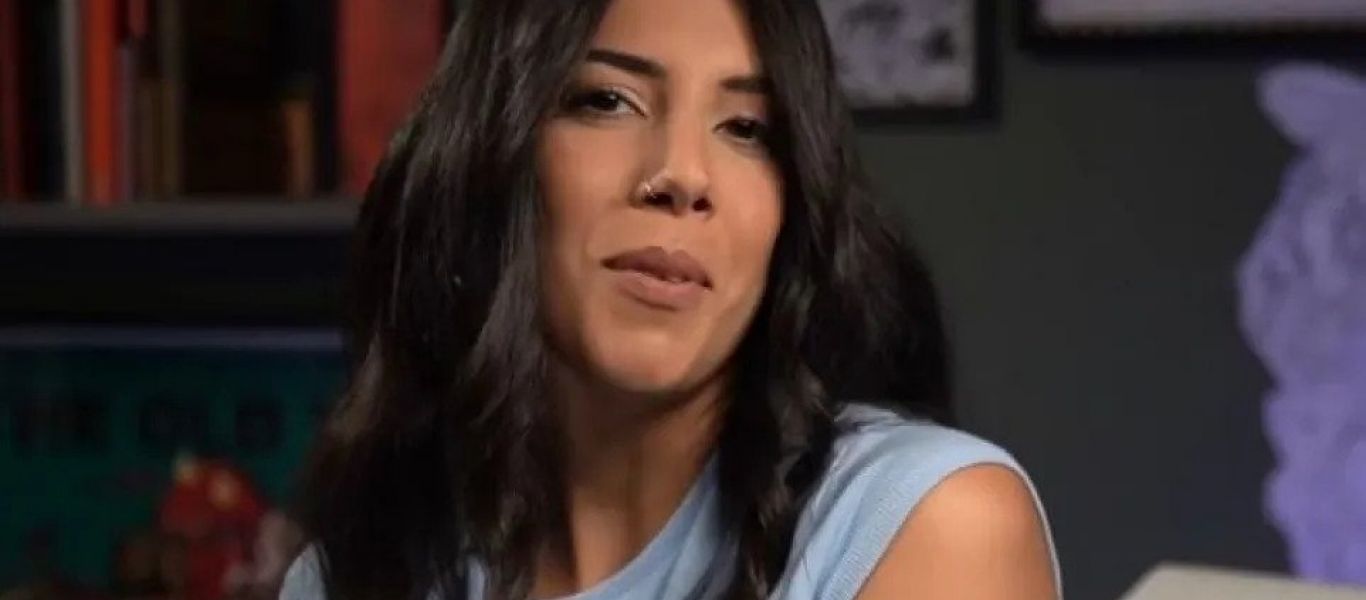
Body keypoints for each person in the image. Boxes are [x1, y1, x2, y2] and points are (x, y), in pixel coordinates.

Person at [281, 0, 1060, 598]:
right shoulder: (354, 574)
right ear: (492, 153)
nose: (682, 175)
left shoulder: (929, 524)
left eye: (748, 128)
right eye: (608, 101)